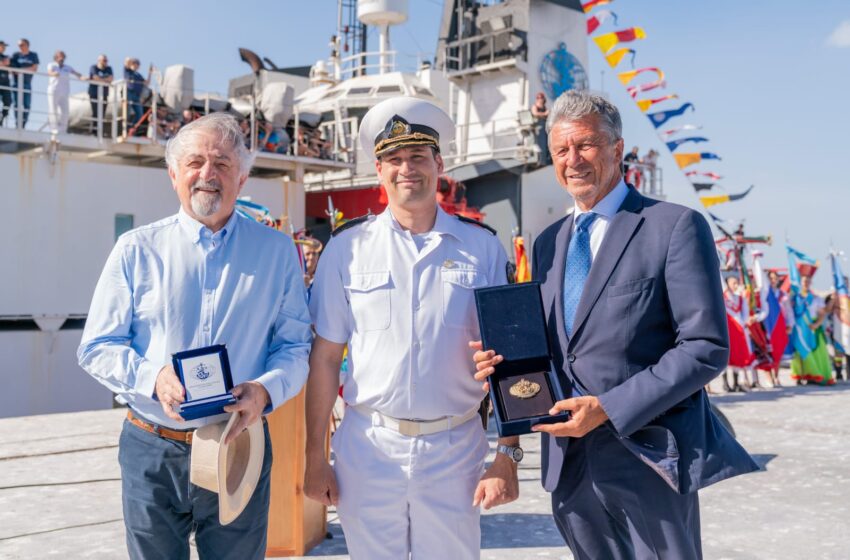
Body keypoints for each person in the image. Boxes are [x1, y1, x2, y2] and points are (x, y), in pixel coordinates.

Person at [473, 90, 757, 559]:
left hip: (647, 457)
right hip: (569, 465)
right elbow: (550, 348)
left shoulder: (673, 226)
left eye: (585, 145)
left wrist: (608, 407)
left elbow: (704, 346)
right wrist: (501, 364)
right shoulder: (548, 243)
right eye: (561, 151)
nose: (573, 160)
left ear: (617, 148)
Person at [77, 113, 312, 559]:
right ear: (174, 175)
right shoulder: (136, 250)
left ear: (241, 178)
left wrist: (265, 390)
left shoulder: (277, 252)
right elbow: (96, 346)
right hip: (153, 448)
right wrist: (153, 377)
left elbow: (295, 346)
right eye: (195, 162)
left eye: (222, 163)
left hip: (238, 446)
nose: (208, 174)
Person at [304, 97, 518, 560]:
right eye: (394, 160)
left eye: (418, 157)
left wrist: (509, 454)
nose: (407, 169)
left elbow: (511, 357)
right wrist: (314, 456)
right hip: (368, 448)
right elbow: (324, 358)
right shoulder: (346, 250)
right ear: (379, 171)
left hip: (455, 448)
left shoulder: (481, 249)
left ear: (439, 164)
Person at [789, 263, 834, 385]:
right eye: (804, 280)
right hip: (798, 329)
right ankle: (800, 375)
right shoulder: (795, 298)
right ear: (801, 282)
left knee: (812, 351)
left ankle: (812, 375)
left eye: (808, 281)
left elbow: (822, 313)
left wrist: (817, 324)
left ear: (810, 283)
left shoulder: (815, 298)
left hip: (811, 328)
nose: (806, 283)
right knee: (799, 351)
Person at [46, 50, 84, 135]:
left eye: (63, 56)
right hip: (54, 90)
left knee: (65, 111)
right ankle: (54, 128)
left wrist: (82, 77)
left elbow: (76, 73)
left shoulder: (67, 67)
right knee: (53, 109)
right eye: (59, 56)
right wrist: (53, 73)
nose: (61, 58)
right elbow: (49, 72)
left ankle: (63, 130)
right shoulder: (52, 65)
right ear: (56, 57)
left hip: (64, 91)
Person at [10, 38, 39, 128]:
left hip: (27, 83)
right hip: (16, 83)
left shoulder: (33, 55)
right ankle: (17, 123)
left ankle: (23, 122)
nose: (20, 47)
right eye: (19, 45)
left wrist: (21, 70)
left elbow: (34, 69)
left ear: (27, 45)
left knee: (27, 104)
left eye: (21, 45)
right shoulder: (15, 55)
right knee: (17, 104)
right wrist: (26, 70)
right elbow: (13, 71)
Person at [123, 57, 151, 134]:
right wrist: (129, 60)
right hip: (129, 93)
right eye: (135, 64)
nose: (136, 66)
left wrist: (149, 73)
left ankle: (132, 128)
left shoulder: (138, 75)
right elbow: (126, 63)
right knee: (127, 112)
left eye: (137, 64)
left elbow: (147, 83)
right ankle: (125, 129)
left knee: (140, 114)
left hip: (137, 96)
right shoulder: (127, 71)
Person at [88, 54, 113, 132]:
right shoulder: (93, 67)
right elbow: (95, 77)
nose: (106, 62)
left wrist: (101, 80)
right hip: (94, 93)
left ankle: (99, 131)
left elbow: (111, 79)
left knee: (102, 113)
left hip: (104, 94)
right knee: (95, 112)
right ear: (99, 61)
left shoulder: (109, 69)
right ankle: (94, 131)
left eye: (106, 60)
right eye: (104, 60)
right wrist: (105, 81)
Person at [0, 41, 11, 126]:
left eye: (4, 46)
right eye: (2, 46)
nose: (4, 47)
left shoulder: (6, 57)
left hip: (5, 83)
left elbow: (10, 67)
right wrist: (4, 64)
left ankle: (1, 118)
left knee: (8, 101)